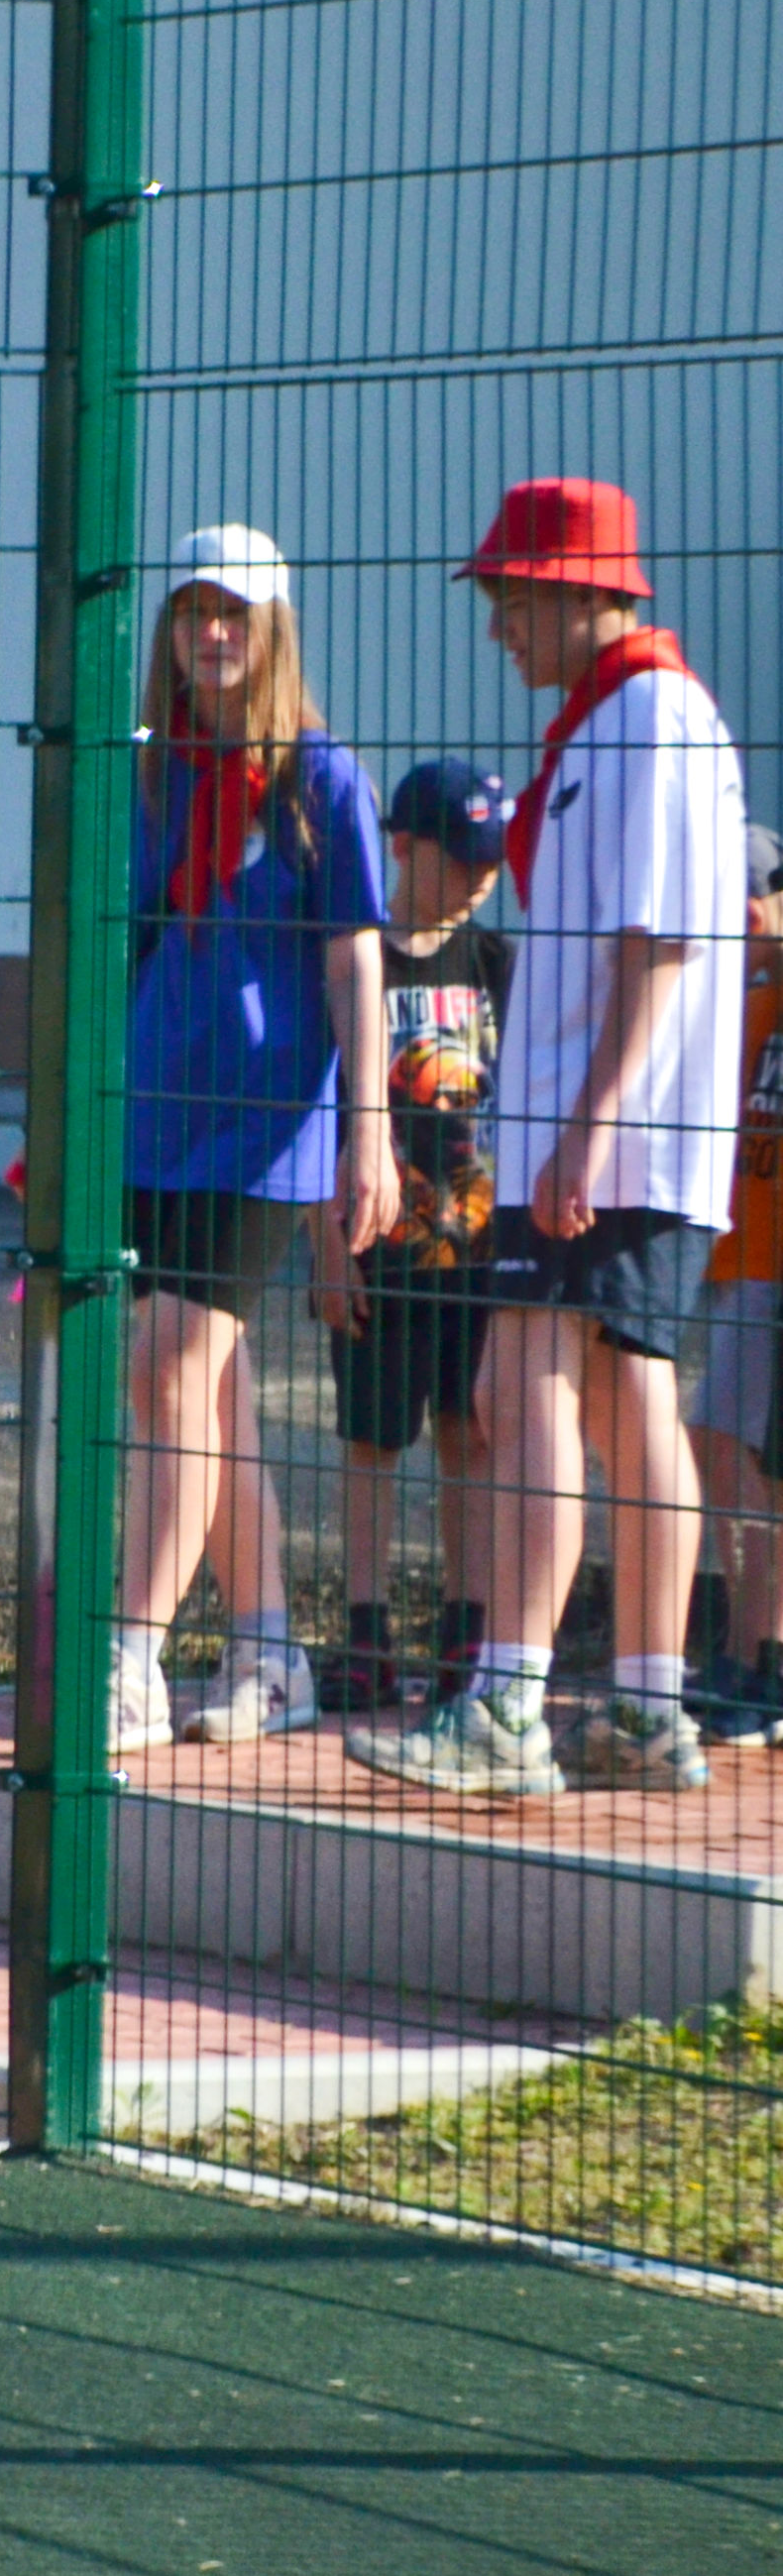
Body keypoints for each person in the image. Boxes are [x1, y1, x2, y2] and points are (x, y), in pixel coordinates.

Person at [356, 479, 756, 1801]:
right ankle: (645, 1709)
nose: (497, 627)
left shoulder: (650, 717)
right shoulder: (610, 719)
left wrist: (588, 1129)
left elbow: (662, 944)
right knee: (622, 1399)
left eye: (511, 598)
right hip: (599, 1135)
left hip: (609, 1140)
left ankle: (508, 1707)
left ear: (579, 588)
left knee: (522, 1384)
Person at [103, 526, 399, 1756]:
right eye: (191, 613)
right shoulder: (151, 770)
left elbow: (355, 959)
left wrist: (368, 1131)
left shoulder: (321, 778)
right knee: (207, 1390)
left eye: (233, 614)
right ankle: (272, 1655)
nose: (210, 636)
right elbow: (121, 940)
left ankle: (127, 1656)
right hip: (154, 1120)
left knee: (167, 1371)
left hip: (267, 1133)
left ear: (273, 630)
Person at [314, 764, 514, 1715]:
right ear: (401, 845)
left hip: (477, 1256)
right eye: (462, 856)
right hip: (377, 1251)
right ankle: (367, 1633)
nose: (482, 876)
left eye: (492, 860)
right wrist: (326, 1249)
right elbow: (317, 1116)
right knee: (372, 1442)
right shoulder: (360, 967)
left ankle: (466, 1630)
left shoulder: (496, 963)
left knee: (469, 1435)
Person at [699, 824, 783, 1746]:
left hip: (768, 1267)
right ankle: (744, 1647)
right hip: (737, 1255)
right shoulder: (748, 998)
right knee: (720, 1447)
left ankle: (757, 1657)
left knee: (734, 1454)